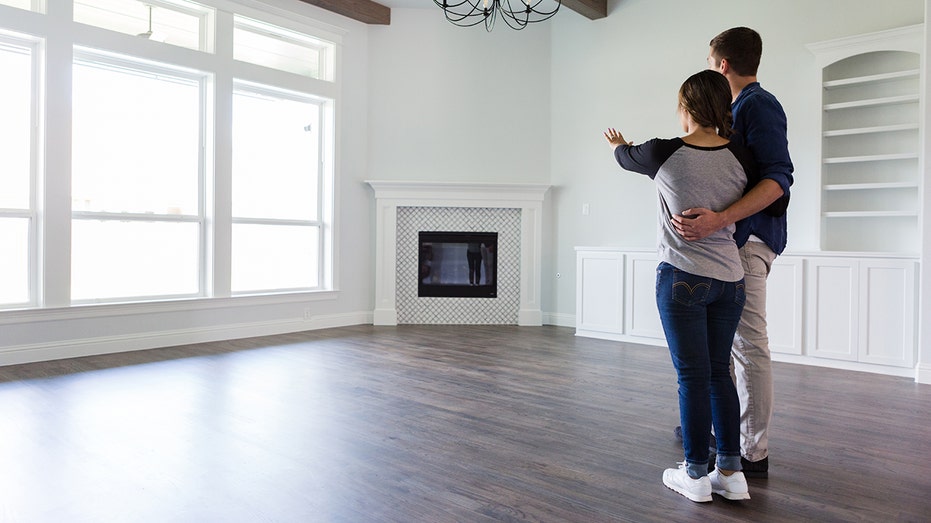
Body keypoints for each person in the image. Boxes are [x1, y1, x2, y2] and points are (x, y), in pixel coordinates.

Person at [604, 69, 753, 503]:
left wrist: (617, 144)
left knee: (692, 377)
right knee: (719, 373)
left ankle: (696, 475)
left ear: (685, 106)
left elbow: (624, 156)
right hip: (731, 280)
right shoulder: (743, 156)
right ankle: (731, 474)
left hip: (683, 277)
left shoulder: (662, 152)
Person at [671, 27, 795, 479]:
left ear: (722, 65)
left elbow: (778, 180)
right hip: (728, 245)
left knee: (747, 346)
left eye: (709, 63)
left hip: (745, 243)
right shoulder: (736, 110)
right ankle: (715, 434)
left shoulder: (757, 105)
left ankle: (751, 452)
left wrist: (720, 219)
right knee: (718, 351)